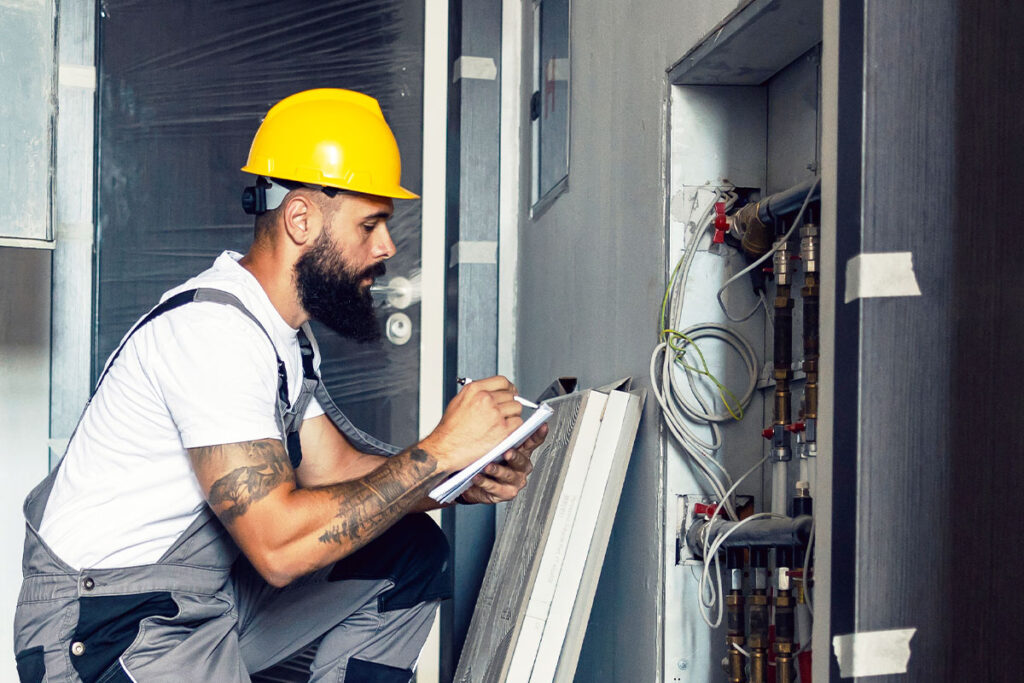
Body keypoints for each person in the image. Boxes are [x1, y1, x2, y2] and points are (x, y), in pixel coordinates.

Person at [13, 88, 547, 683]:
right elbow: (277, 549)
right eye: (369, 224)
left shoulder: (282, 337)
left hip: (204, 603)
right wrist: (439, 449)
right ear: (300, 219)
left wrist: (461, 475)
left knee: (408, 553)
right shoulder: (213, 333)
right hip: (107, 624)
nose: (387, 247)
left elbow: (334, 470)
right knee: (302, 541)